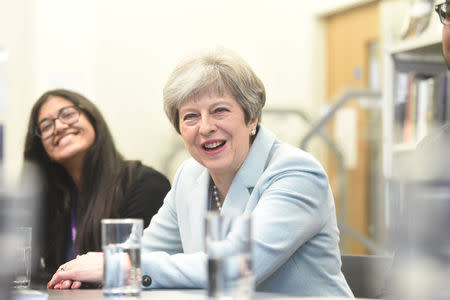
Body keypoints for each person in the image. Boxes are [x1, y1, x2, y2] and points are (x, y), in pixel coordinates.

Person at [47, 49, 353, 296]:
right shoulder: (189, 176)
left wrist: (115, 265)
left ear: (251, 118)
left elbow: (235, 267)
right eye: (190, 116)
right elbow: (144, 253)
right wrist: (91, 275)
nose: (205, 127)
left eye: (220, 110)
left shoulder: (296, 172)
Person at [23, 89, 171, 283]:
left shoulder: (146, 184)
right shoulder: (57, 199)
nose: (58, 126)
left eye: (67, 114)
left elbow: (137, 269)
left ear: (92, 119)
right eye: (46, 125)